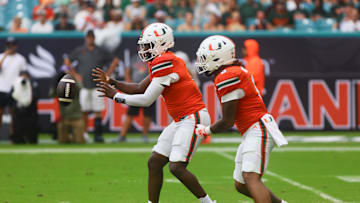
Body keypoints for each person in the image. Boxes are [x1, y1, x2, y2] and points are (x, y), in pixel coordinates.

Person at [93, 23, 215, 203]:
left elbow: (146, 99)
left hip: (193, 116)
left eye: (148, 45)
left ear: (161, 44)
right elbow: (138, 88)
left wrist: (116, 96)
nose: (143, 49)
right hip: (182, 119)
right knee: (155, 162)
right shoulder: (163, 61)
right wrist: (112, 81)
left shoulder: (165, 61)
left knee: (177, 167)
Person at [195, 35, 288, 203]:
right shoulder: (232, 71)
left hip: (258, 128)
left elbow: (228, 121)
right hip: (252, 129)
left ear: (218, 57)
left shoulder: (228, 76)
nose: (202, 63)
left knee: (250, 177)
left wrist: (206, 130)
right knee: (241, 184)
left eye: (205, 58)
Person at [64, 30, 119, 143]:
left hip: (97, 84)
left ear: (94, 38)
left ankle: (98, 135)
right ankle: (84, 134)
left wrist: (107, 74)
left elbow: (115, 60)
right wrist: (75, 74)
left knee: (97, 110)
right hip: (84, 85)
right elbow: (67, 61)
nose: (90, 39)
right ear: (86, 38)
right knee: (84, 110)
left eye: (92, 37)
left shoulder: (100, 50)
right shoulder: (80, 50)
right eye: (89, 37)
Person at [114, 54, 155, 143]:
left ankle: (145, 135)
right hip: (136, 89)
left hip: (149, 89)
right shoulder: (134, 59)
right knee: (130, 113)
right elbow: (127, 71)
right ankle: (122, 135)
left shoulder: (153, 58)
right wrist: (129, 84)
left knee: (147, 115)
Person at [0, 37, 27, 128]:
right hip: (1, 88)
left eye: (12, 45)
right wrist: (5, 56)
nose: (10, 47)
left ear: (16, 46)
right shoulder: (1, 56)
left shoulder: (21, 59)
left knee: (14, 114)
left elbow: (24, 74)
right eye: (8, 45)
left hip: (15, 89)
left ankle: (13, 136)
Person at [56, 71, 85, 144]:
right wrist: (58, 85)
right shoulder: (59, 89)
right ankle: (71, 137)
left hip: (77, 118)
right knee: (62, 141)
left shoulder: (75, 86)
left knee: (79, 141)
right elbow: (51, 94)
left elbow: (80, 86)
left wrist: (72, 79)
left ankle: (74, 137)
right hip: (64, 119)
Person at [11, 71, 39, 144]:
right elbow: (11, 95)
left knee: (31, 126)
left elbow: (36, 95)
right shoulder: (16, 83)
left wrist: (29, 102)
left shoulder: (33, 83)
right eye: (22, 76)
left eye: (25, 76)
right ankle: (18, 140)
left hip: (30, 109)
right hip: (19, 109)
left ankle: (32, 139)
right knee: (18, 126)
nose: (24, 78)